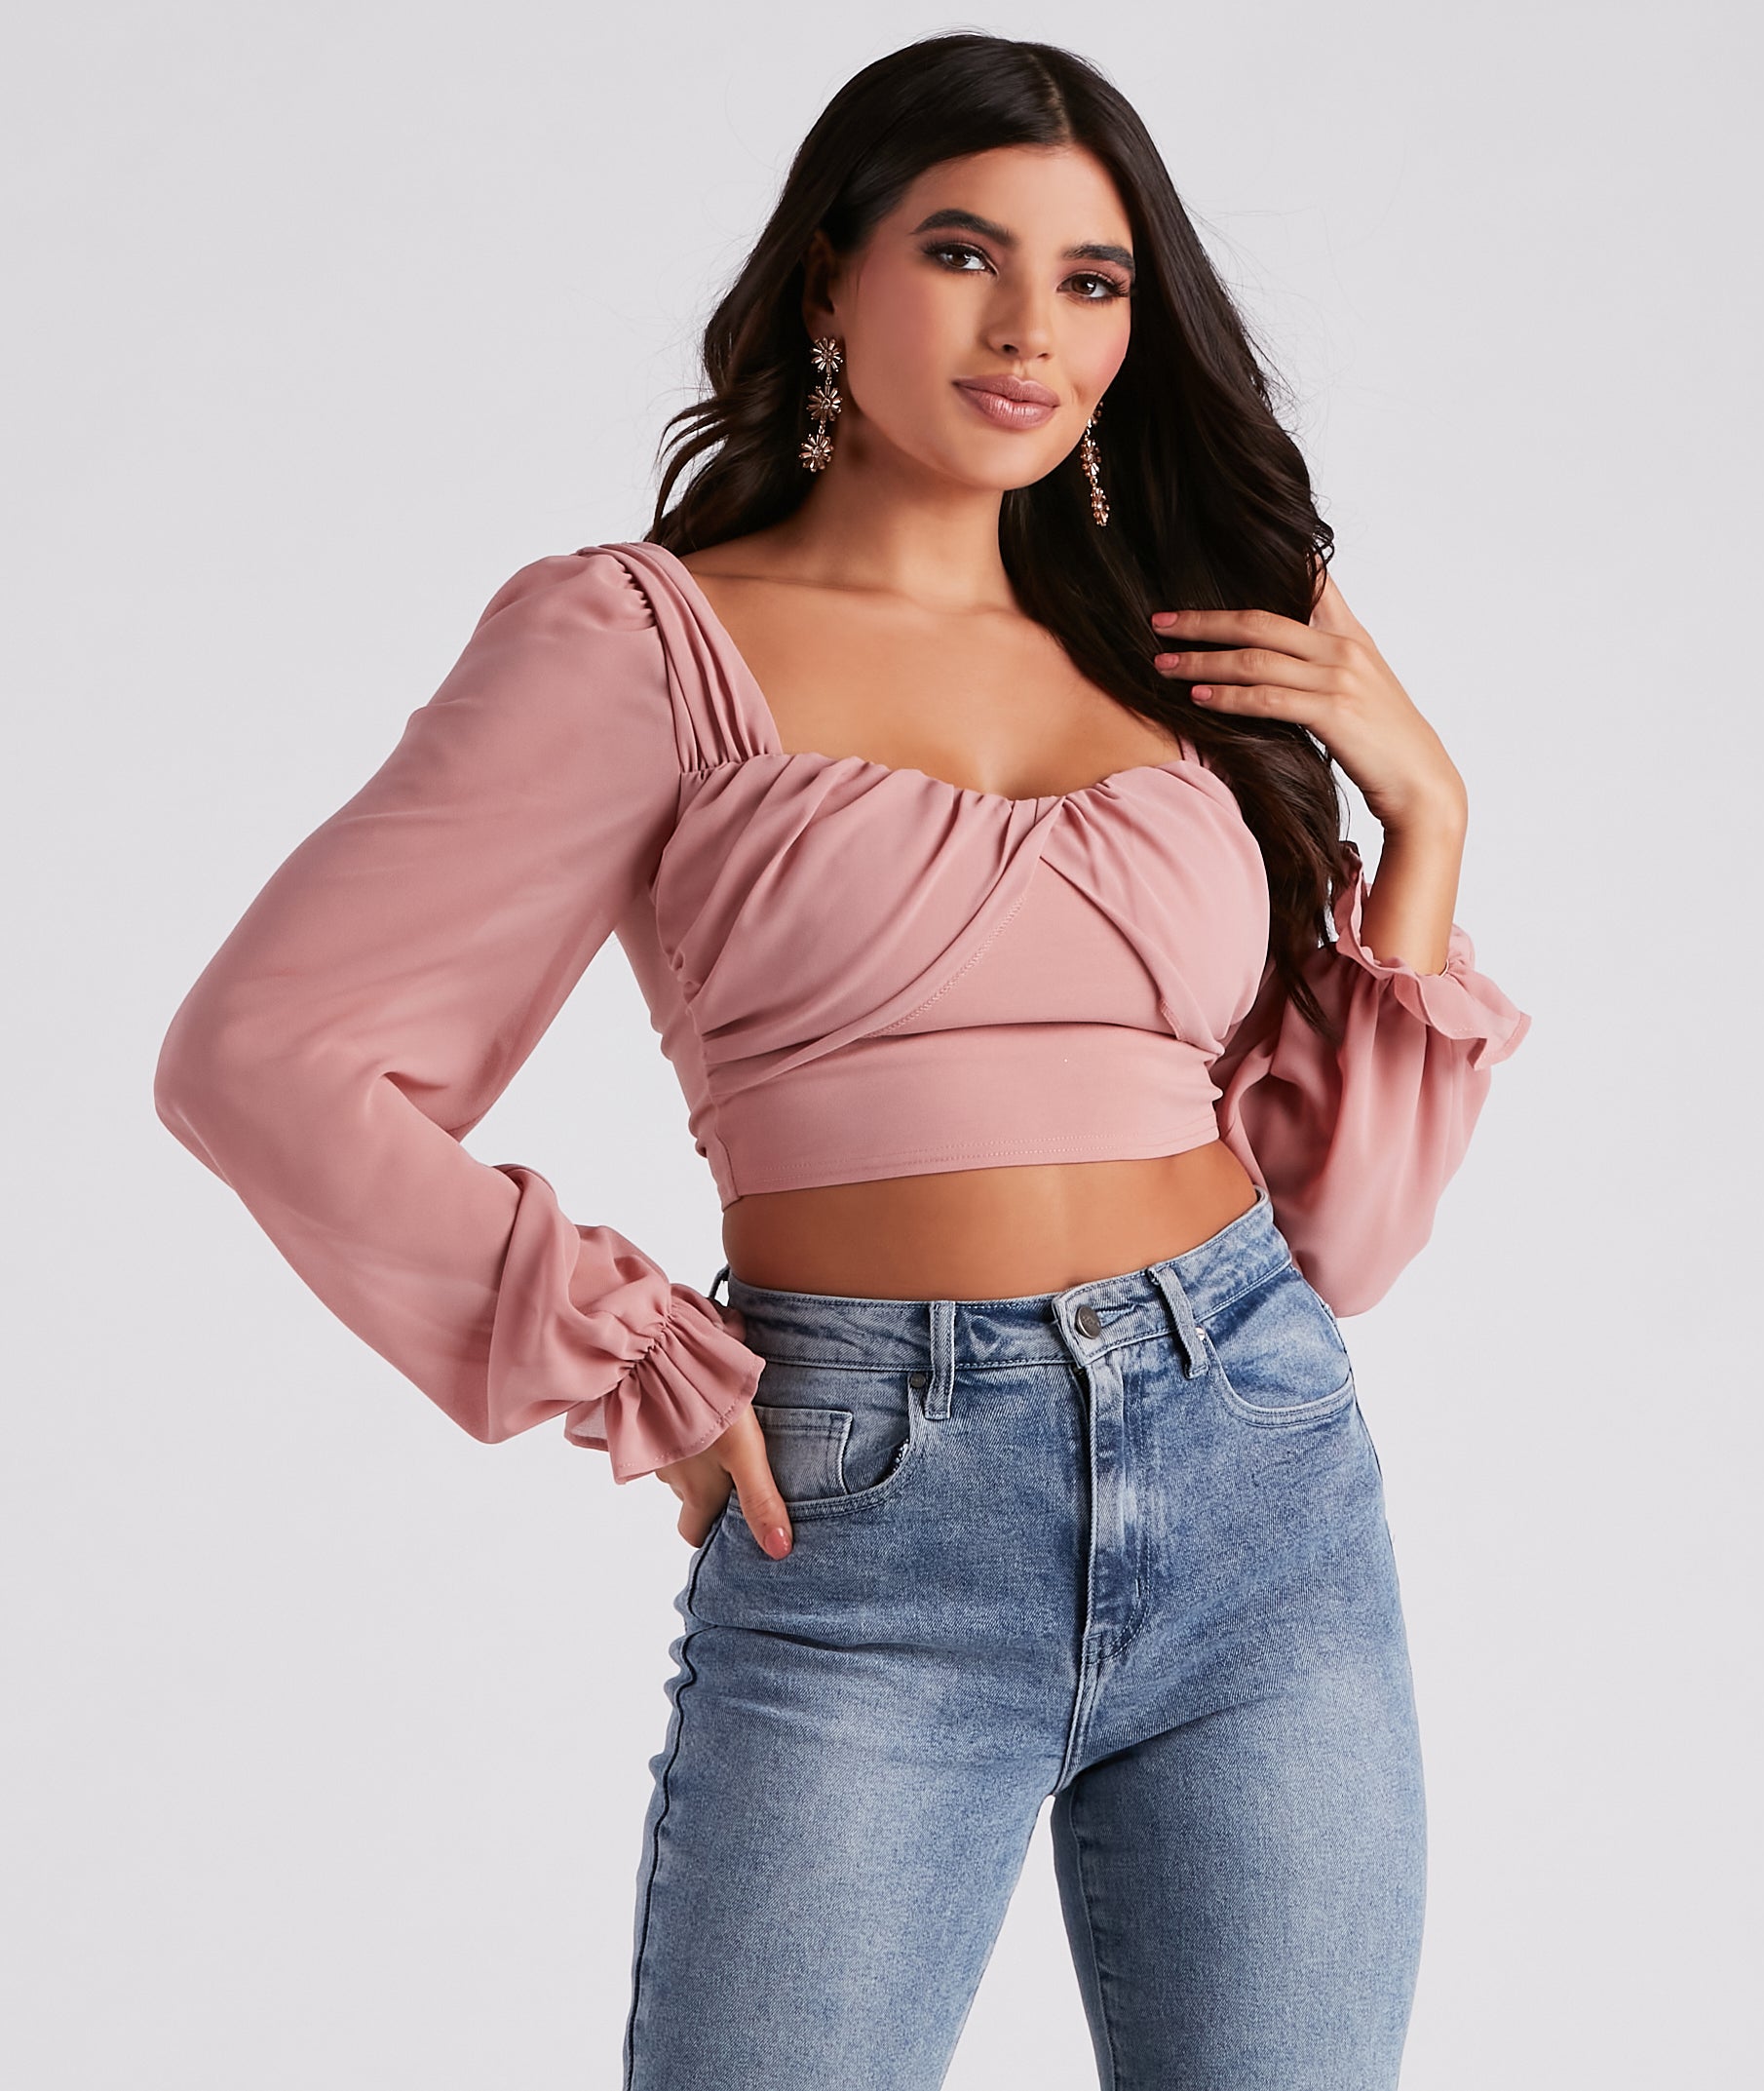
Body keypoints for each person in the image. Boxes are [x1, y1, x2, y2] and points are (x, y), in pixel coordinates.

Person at [152, 31, 1532, 2091]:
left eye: (1090, 279)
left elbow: (1346, 1233)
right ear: (830, 276)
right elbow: (265, 1055)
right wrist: (622, 1348)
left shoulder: (1175, 648)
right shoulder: (641, 641)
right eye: (963, 253)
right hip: (875, 1508)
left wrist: (1422, 818)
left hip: (1262, 1464)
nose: (1030, 328)